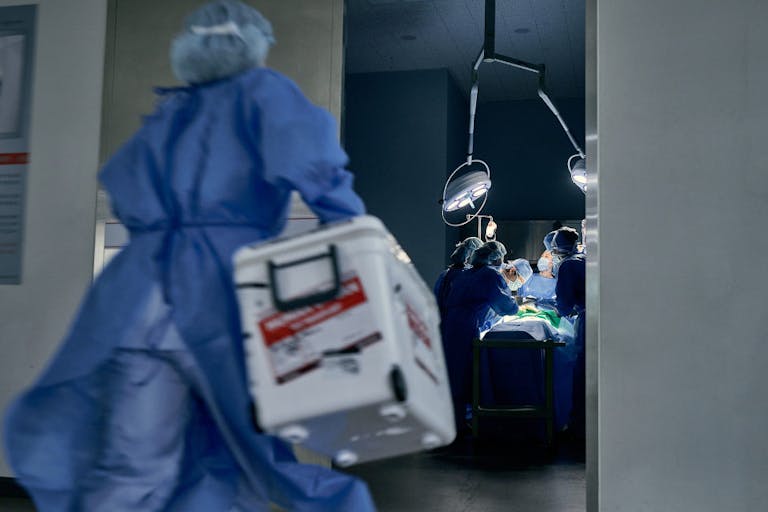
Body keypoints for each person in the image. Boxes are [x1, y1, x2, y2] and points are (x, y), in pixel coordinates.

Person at [3, 2, 375, 511]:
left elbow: (126, 186)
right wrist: (357, 251)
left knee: (137, 461)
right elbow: (320, 176)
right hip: (221, 295)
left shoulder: (170, 111)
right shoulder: (263, 94)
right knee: (253, 456)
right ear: (253, 44)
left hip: (138, 301)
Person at [440, 241, 518, 427]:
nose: (503, 261)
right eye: (501, 257)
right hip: (465, 327)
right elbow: (505, 306)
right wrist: (517, 307)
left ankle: (454, 421)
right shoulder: (489, 275)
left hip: (452, 324)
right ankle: (459, 426)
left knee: (453, 372)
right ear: (495, 257)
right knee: (463, 373)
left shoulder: (466, 273)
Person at [551, 227, 586, 439]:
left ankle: (578, 427)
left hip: (586, 319)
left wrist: (555, 307)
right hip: (594, 316)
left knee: (582, 373)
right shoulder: (583, 259)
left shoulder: (568, 265)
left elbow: (564, 304)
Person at [433, 237, 482, 314]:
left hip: (443, 319)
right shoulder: (466, 276)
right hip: (459, 320)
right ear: (474, 255)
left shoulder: (446, 274)